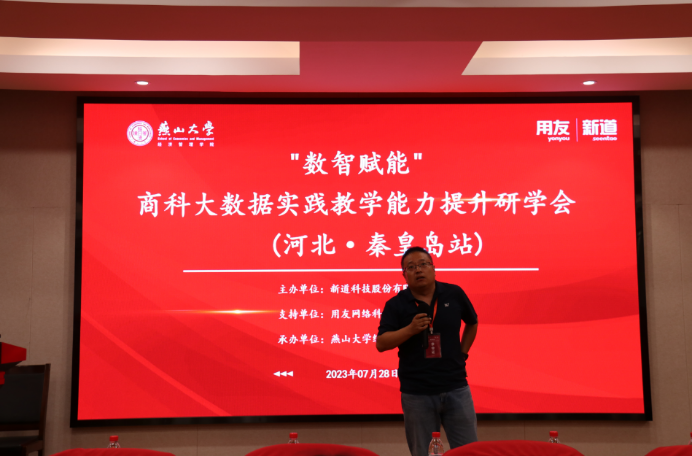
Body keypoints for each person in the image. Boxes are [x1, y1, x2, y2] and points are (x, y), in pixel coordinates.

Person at [376, 246, 479, 456]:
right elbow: (381, 343)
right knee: (422, 452)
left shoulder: (454, 293)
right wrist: (410, 329)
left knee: (468, 452)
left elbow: (472, 322)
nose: (418, 270)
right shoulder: (396, 304)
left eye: (423, 264)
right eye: (411, 267)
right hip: (417, 393)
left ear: (433, 268)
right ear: (404, 275)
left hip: (456, 387)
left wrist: (463, 353)